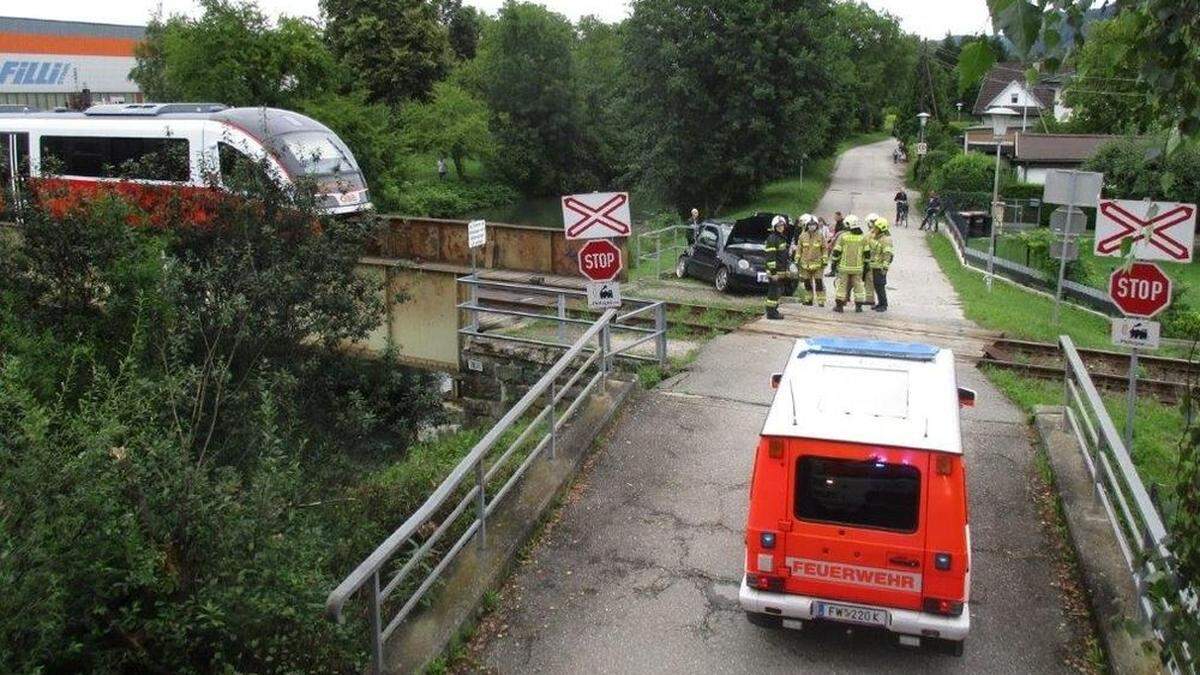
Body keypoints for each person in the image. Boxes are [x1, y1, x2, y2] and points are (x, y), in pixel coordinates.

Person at [831, 215, 867, 313]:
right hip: (858, 268)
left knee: (842, 287)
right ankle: (858, 307)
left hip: (844, 267)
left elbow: (837, 252)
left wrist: (834, 264)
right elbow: (867, 253)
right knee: (858, 287)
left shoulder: (843, 237)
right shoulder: (862, 238)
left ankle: (839, 307)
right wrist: (866, 266)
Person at [794, 214, 827, 306]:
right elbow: (799, 249)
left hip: (818, 265)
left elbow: (824, 248)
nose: (811, 226)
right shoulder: (802, 236)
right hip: (805, 265)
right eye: (809, 224)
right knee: (807, 283)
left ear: (816, 225)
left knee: (818, 282)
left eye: (813, 224)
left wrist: (824, 259)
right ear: (806, 225)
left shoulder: (820, 236)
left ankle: (821, 301)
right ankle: (809, 300)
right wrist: (797, 259)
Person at [763, 215, 791, 320]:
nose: (781, 227)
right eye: (778, 226)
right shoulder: (772, 239)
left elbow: (784, 256)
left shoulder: (781, 238)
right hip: (775, 272)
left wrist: (786, 269)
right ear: (774, 227)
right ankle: (771, 313)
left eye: (782, 225)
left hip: (780, 271)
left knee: (778, 292)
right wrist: (773, 272)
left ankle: (774, 310)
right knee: (773, 292)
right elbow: (771, 257)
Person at [869, 217, 894, 312]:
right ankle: (880, 303)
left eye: (875, 227)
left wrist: (884, 268)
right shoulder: (878, 238)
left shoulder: (886, 240)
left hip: (880, 267)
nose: (873, 229)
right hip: (875, 266)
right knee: (877, 285)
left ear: (880, 228)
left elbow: (887, 255)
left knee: (880, 285)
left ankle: (884, 305)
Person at [862, 213, 880, 306]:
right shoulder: (879, 233)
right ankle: (871, 299)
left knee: (869, 281)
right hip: (877, 261)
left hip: (871, 261)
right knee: (872, 281)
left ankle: (870, 300)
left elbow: (865, 244)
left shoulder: (870, 234)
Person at [827, 211, 846, 277]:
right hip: (836, 240)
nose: (834, 218)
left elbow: (841, 232)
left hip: (839, 242)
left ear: (840, 216)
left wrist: (833, 240)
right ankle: (834, 270)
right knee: (834, 257)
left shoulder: (843, 223)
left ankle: (834, 271)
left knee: (835, 256)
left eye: (836, 217)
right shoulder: (838, 223)